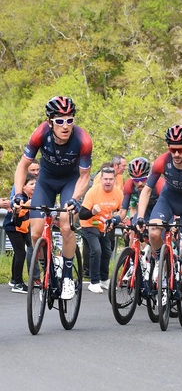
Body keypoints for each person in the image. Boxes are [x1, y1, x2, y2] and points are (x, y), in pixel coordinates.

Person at [13, 96, 92, 300]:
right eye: (59, 121)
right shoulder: (40, 134)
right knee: (35, 233)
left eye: (69, 120)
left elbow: (85, 177)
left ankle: (66, 276)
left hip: (70, 182)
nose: (65, 126)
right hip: (46, 182)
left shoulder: (83, 140)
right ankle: (48, 270)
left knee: (66, 224)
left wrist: (75, 198)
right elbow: (22, 166)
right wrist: (19, 193)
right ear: (50, 122)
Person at [135, 125, 182, 322]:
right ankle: (161, 260)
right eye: (172, 149)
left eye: (180, 149)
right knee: (153, 233)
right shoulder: (161, 161)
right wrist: (141, 216)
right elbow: (147, 190)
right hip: (167, 199)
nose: (176, 154)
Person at [79, 167, 124, 293]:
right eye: (105, 179)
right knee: (96, 250)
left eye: (110, 179)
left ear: (115, 180)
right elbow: (82, 214)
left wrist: (116, 219)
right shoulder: (93, 191)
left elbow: (122, 210)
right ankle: (94, 282)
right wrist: (92, 212)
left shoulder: (118, 193)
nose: (108, 182)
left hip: (105, 225)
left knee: (107, 251)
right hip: (89, 223)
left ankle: (104, 279)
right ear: (101, 179)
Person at [3, 173, 36, 293]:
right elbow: (17, 212)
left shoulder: (29, 197)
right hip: (13, 227)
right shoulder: (21, 198)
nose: (34, 186)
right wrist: (26, 206)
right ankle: (18, 283)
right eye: (31, 184)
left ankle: (13, 279)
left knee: (19, 253)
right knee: (20, 253)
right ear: (23, 186)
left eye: (36, 184)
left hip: (22, 228)